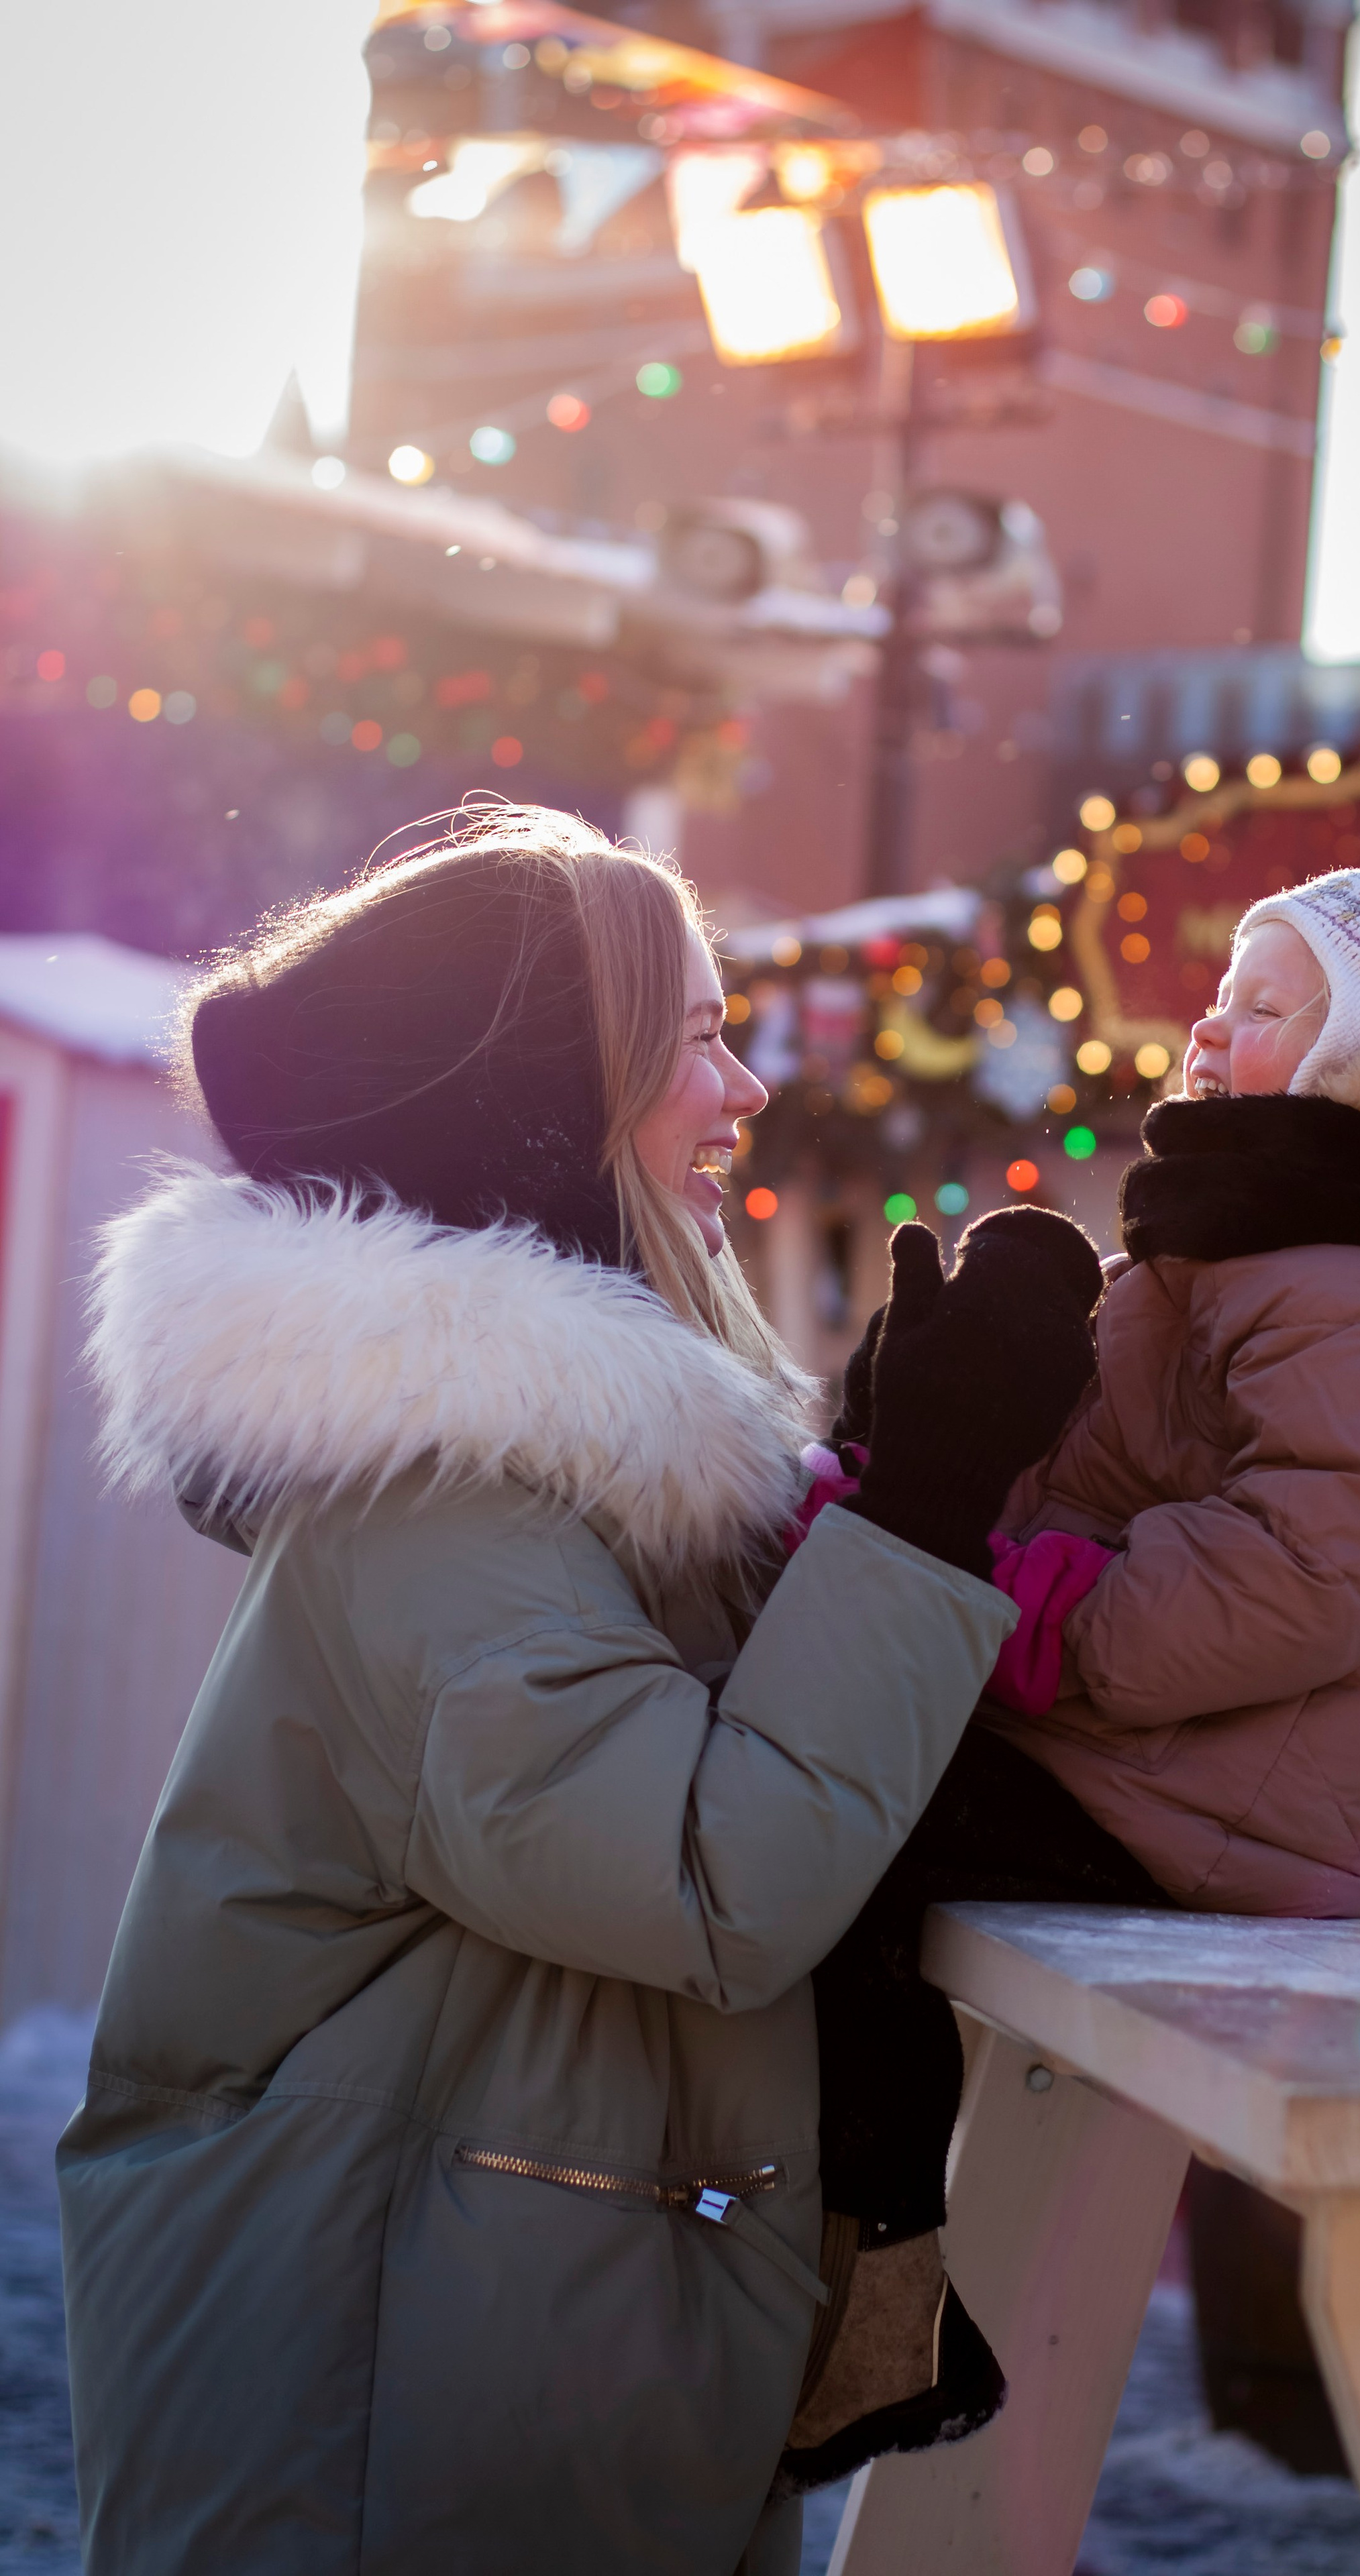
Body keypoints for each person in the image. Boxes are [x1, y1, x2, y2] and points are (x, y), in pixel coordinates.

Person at [57, 805, 1102, 2576]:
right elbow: (709, 1879)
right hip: (385, 2404)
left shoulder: (559, 1476)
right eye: (696, 1037)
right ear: (548, 1099)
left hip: (521, 2334)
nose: (745, 1090)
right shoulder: (441, 1497)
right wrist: (918, 1513)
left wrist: (865, 1488)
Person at [804, 858, 1360, 2363]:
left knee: (825, 1810)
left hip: (1242, 1816)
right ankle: (855, 2242)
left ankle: (859, 2253)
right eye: (1217, 994)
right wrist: (917, 1482)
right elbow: (1098, 1479)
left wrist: (1014, 1609)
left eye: (1262, 1005)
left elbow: (1298, 1578)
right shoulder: (1250, 1256)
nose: (1208, 1026)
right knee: (823, 1778)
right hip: (1173, 1780)